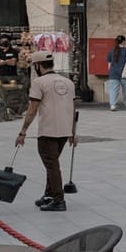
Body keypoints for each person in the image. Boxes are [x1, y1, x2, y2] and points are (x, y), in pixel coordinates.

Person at [14, 51, 77, 212]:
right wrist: (73, 132)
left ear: (37, 65)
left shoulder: (38, 82)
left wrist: (23, 132)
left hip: (48, 130)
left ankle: (58, 199)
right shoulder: (68, 82)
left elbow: (32, 108)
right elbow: (73, 109)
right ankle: (49, 195)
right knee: (52, 163)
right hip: (64, 130)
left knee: (52, 165)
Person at [104, 35, 126, 111]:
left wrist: (110, 72)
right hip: (124, 73)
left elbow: (109, 64)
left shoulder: (111, 51)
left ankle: (113, 105)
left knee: (113, 90)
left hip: (113, 73)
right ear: (123, 42)